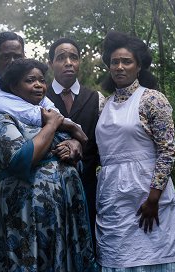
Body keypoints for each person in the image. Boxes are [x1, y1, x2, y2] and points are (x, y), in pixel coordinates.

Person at [0, 31, 87, 272]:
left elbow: (51, 117)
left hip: (38, 202)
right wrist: (64, 125)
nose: (11, 61)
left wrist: (71, 140)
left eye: (16, 56)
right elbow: (39, 116)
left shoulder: (32, 88)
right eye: (4, 56)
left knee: (45, 263)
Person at [95, 30, 175, 272]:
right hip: (113, 201)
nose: (119, 67)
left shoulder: (153, 99)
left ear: (139, 65)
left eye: (126, 61)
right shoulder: (103, 105)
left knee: (154, 259)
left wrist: (153, 198)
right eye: (114, 62)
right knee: (118, 261)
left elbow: (167, 151)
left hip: (148, 199)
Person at [0, 58, 99, 272]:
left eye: (41, 80)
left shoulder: (48, 116)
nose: (38, 85)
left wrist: (74, 149)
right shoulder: (2, 120)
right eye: (30, 80)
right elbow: (21, 158)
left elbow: (77, 152)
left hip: (63, 221)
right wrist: (53, 125)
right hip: (27, 223)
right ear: (13, 87)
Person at [47, 37, 105, 237]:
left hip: (87, 186)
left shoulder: (95, 98)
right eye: (61, 58)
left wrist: (81, 146)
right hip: (49, 188)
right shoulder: (38, 96)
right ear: (51, 64)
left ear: (79, 62)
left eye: (74, 57)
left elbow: (103, 144)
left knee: (87, 242)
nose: (68, 62)